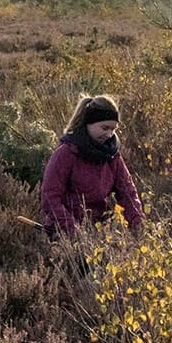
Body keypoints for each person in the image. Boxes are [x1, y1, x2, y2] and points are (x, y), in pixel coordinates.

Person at [40, 94, 143, 238]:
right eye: (104, 128)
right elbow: (50, 197)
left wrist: (139, 226)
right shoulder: (66, 153)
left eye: (113, 129)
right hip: (64, 233)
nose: (109, 134)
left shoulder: (112, 155)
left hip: (99, 232)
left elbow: (128, 193)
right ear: (88, 123)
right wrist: (73, 230)